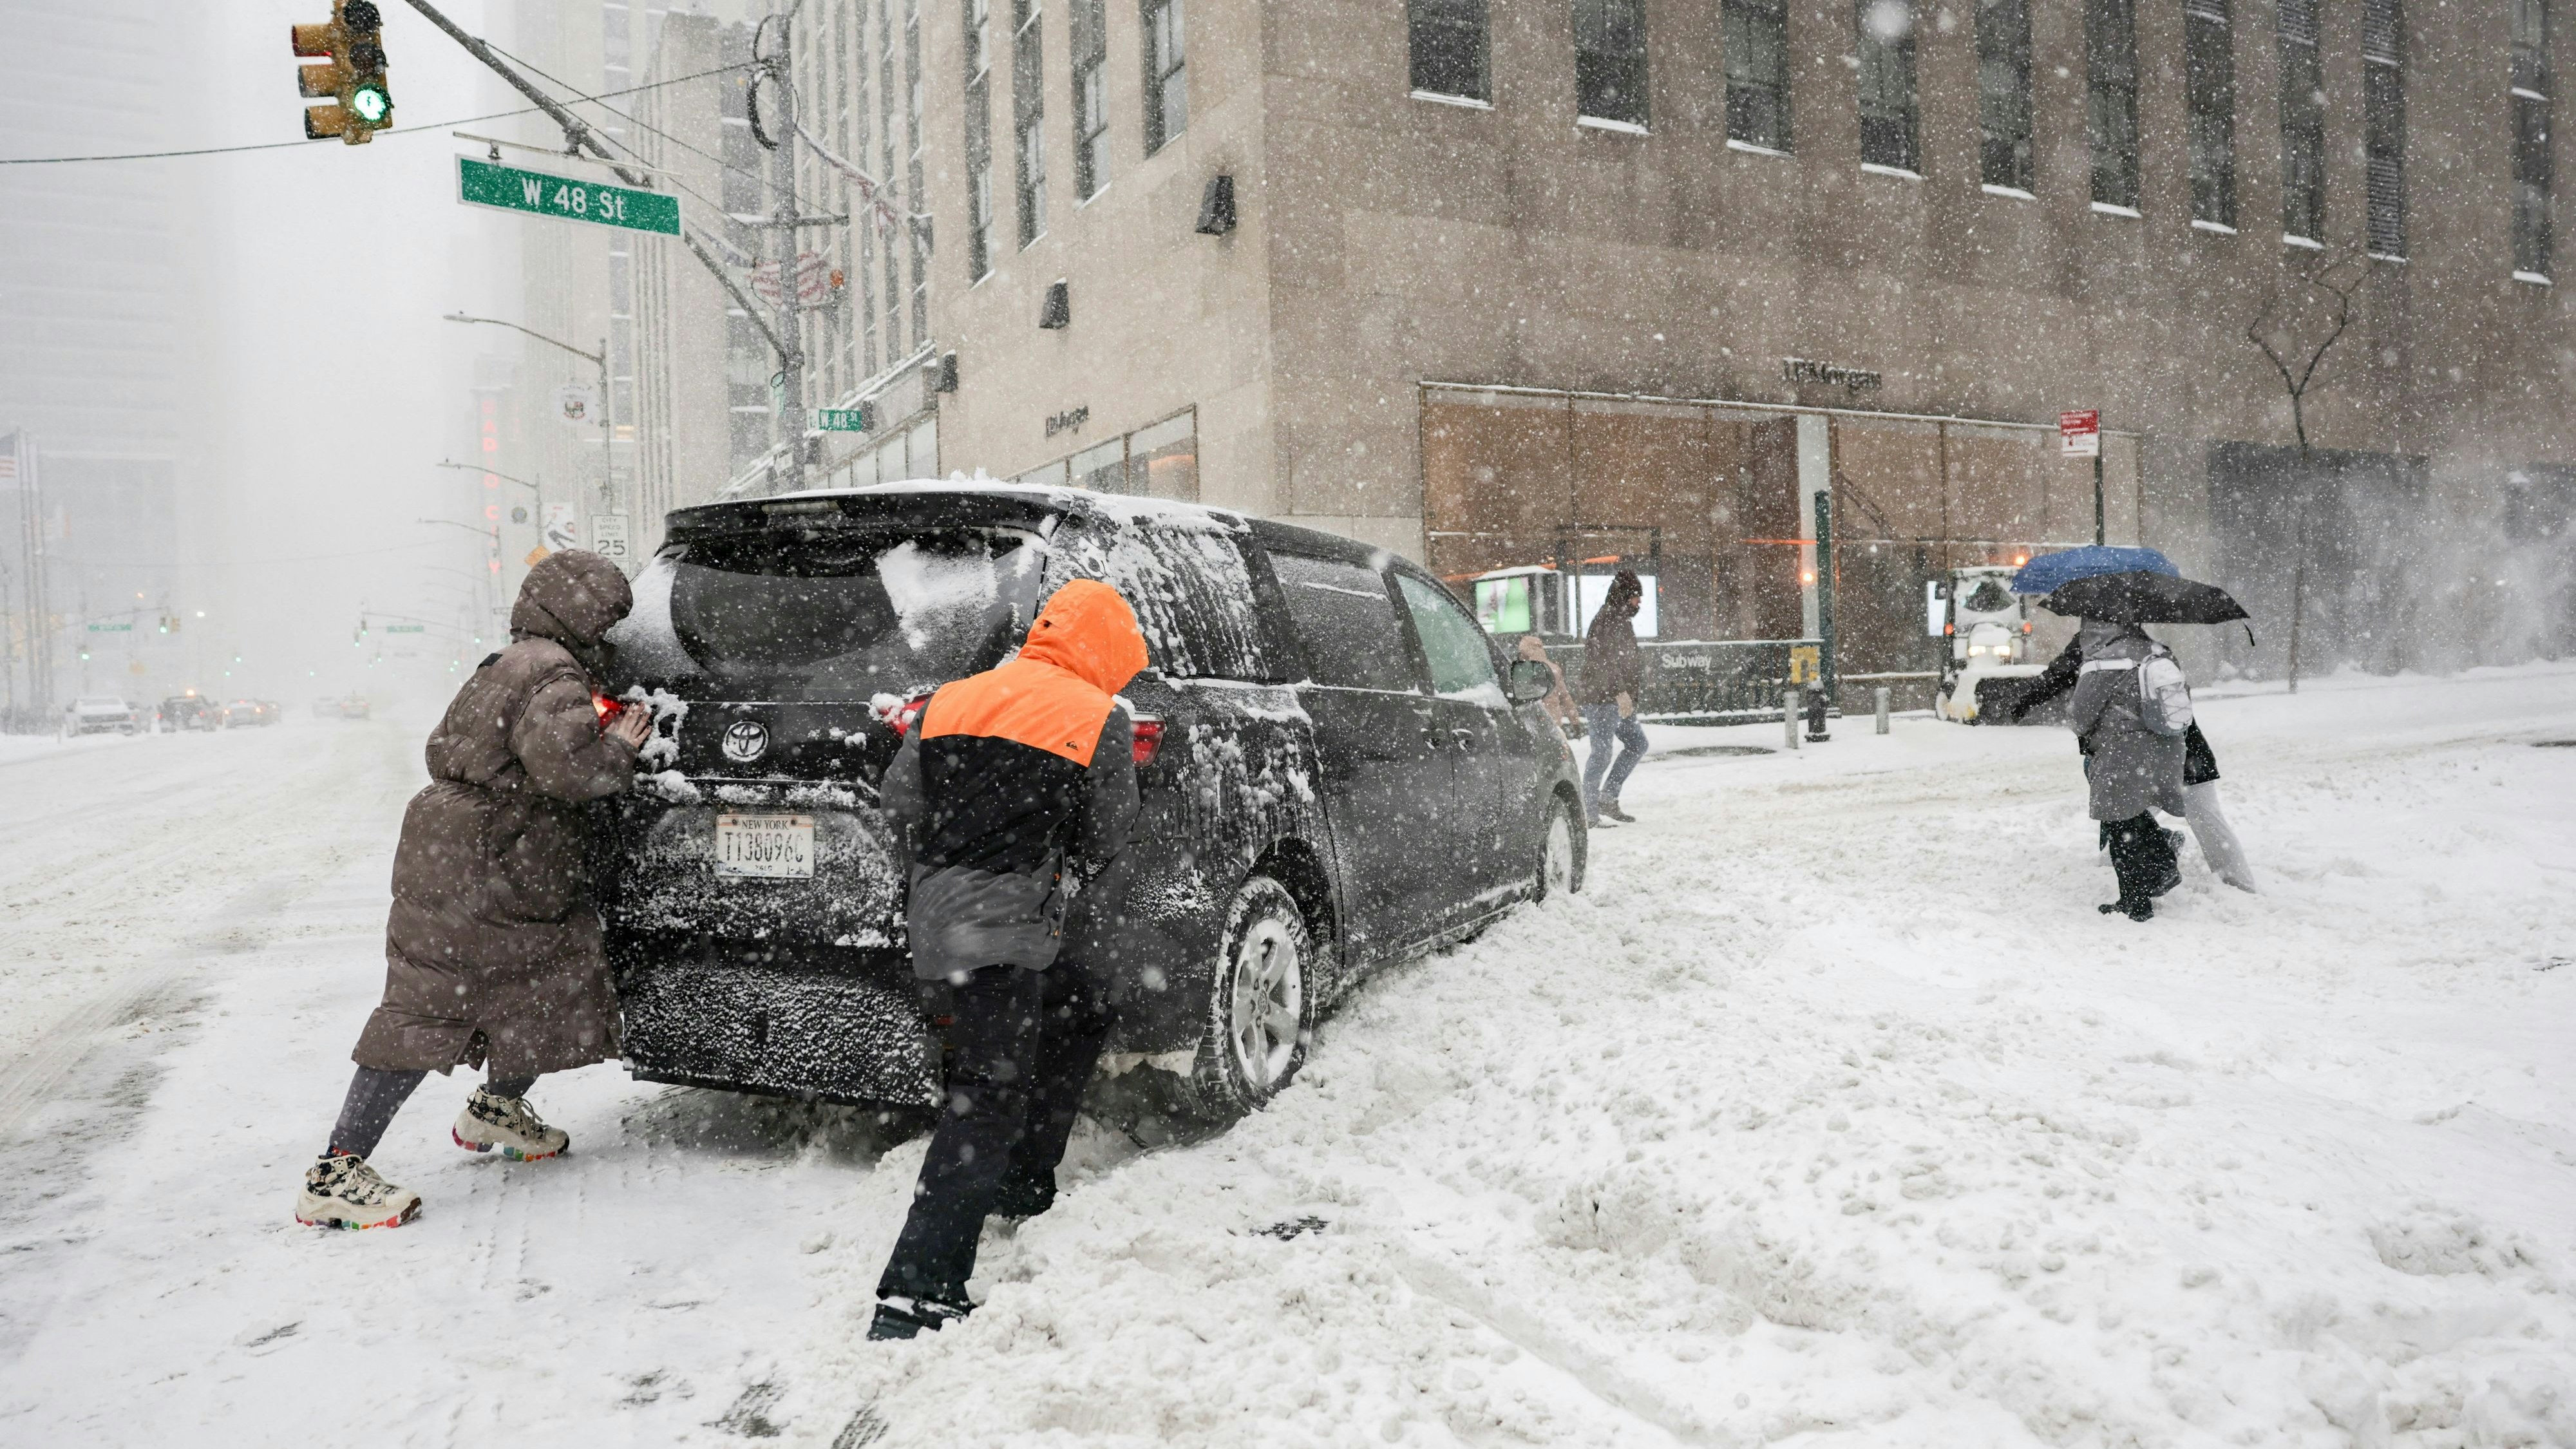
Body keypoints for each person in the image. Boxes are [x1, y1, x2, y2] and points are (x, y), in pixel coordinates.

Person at [295, 550, 653, 1230]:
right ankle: (335, 1172)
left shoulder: (517, 661)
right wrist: (623, 747)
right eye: (606, 619)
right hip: (490, 861)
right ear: (581, 614)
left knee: (555, 982)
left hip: (481, 852)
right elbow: (569, 770)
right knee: (431, 1010)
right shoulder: (552, 671)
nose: (610, 634)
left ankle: (496, 1111)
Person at [868, 578, 1146, 1341]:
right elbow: (1105, 837)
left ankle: (1022, 1181)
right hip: (1009, 924)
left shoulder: (953, 698)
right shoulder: (1098, 720)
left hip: (937, 917)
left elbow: (899, 804)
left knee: (1080, 1005)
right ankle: (916, 1292)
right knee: (982, 1096)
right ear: (1108, 651)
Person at [2011, 635, 2257, 893]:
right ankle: (2163, 849)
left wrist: (2028, 700)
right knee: (2127, 836)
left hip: (2156, 756)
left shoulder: (2100, 651)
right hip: (2156, 755)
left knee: (2199, 816)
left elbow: (2072, 699)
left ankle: (2238, 887)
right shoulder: (2153, 648)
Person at [2063, 619, 2188, 920]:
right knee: (2132, 817)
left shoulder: (2102, 663)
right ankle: (2161, 865)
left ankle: (2136, 900)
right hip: (2165, 748)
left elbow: (2079, 718)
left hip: (2122, 752)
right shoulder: (2161, 654)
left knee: (2121, 826)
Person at [1577, 569, 1649, 826]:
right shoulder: (1607, 619)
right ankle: (1589, 812)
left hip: (1619, 699)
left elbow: (1624, 661)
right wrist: (1620, 692)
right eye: (1637, 597)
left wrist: (1627, 695)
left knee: (1637, 744)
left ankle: (1607, 799)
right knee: (1601, 754)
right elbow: (1602, 660)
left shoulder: (1620, 619)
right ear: (1626, 596)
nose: (1639, 603)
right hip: (1602, 698)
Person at [1517, 633, 1580, 737]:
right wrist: (1575, 720)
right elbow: (1565, 697)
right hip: (1553, 722)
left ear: (1525, 652)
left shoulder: (1523, 671)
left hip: (1532, 724)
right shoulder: (1554, 669)